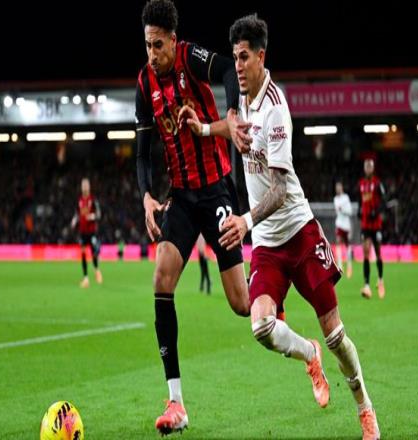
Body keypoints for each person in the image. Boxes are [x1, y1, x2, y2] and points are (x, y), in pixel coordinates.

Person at [179, 14, 380, 440]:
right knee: (260, 327)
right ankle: (308, 355)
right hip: (268, 246)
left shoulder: (276, 109)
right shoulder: (242, 99)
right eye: (234, 57)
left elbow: (282, 189)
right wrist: (204, 128)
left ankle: (365, 408)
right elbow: (233, 129)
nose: (237, 66)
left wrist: (247, 220)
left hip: (299, 233)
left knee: (336, 334)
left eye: (243, 57)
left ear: (261, 57)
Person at [135, 0, 251, 435]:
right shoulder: (145, 82)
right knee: (161, 278)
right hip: (182, 196)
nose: (152, 54)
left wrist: (231, 113)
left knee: (241, 305)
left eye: (158, 45)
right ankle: (176, 402)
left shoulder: (190, 57)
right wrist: (148, 197)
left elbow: (228, 73)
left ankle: (276, 295)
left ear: (172, 40)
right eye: (147, 45)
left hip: (217, 189)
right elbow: (142, 151)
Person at [358, 159, 385, 299]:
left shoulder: (378, 183)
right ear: (364, 169)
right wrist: (359, 210)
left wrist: (377, 211)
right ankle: (367, 285)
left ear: (373, 169)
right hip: (365, 225)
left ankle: (380, 280)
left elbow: (384, 201)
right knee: (366, 253)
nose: (368, 169)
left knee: (378, 253)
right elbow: (360, 200)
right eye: (366, 166)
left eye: (370, 167)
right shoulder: (361, 184)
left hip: (376, 225)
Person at [71, 178, 103, 288]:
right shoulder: (79, 201)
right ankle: (86, 278)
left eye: (86, 185)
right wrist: (74, 220)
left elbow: (99, 214)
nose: (84, 187)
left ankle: (97, 270)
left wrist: (92, 216)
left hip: (92, 231)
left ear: (89, 187)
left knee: (94, 252)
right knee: (83, 253)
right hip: (82, 231)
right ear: (81, 187)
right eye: (83, 185)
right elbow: (77, 213)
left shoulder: (93, 200)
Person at [334, 181, 353, 278]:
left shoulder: (346, 197)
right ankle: (340, 265)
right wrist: (340, 209)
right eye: (336, 188)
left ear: (341, 188)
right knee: (338, 242)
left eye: (339, 187)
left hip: (346, 225)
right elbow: (337, 210)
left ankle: (349, 264)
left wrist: (343, 209)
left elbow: (350, 211)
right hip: (339, 224)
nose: (337, 189)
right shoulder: (335, 199)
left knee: (347, 244)